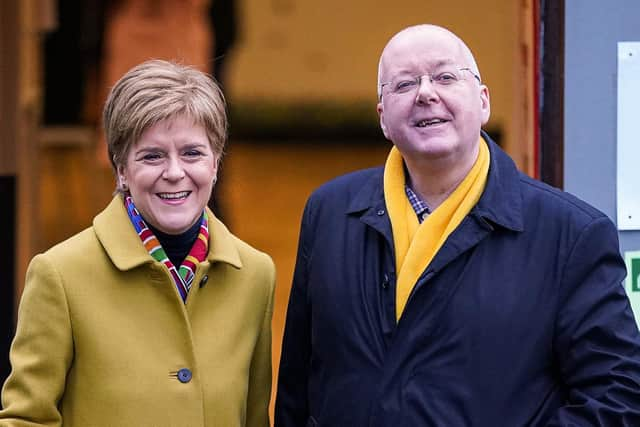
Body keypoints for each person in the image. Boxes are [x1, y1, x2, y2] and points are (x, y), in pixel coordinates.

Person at [275, 24, 640, 426]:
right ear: (383, 118)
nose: (426, 93)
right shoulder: (330, 213)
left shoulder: (570, 235)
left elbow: (617, 397)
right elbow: (297, 390)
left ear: (483, 101)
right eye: (403, 84)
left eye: (446, 77)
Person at [0, 60, 275, 426]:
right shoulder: (60, 275)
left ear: (215, 163)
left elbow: (254, 418)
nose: (175, 173)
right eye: (152, 156)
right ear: (121, 169)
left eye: (192, 153)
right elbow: (26, 419)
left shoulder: (255, 275)